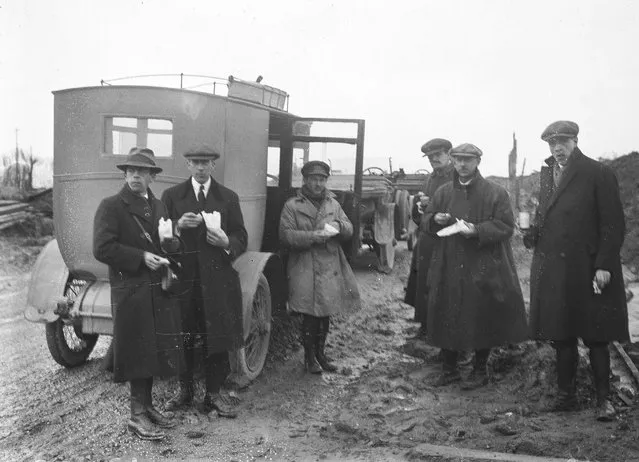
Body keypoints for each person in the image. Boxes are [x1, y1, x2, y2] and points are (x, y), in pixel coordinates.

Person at [524, 121, 629, 421]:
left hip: (588, 267)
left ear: (576, 141)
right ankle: (566, 396)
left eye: (563, 142)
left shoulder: (597, 173)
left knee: (597, 336)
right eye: (552, 144)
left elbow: (613, 225)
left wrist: (605, 266)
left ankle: (603, 401)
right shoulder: (547, 176)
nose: (557, 149)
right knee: (562, 334)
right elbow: (546, 217)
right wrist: (531, 233)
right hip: (557, 270)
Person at [93, 147, 182, 440]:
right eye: (130, 171)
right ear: (124, 174)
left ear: (152, 177)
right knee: (135, 351)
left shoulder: (158, 208)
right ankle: (136, 415)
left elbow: (168, 244)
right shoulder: (111, 206)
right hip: (130, 291)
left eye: (141, 172)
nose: (134, 176)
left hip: (156, 289)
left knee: (152, 350)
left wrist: (171, 245)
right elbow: (102, 248)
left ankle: (147, 407)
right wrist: (141, 258)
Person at [423, 143, 528, 388]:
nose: (462, 165)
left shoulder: (495, 193)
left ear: (478, 162)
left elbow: (506, 226)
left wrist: (477, 230)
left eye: (467, 160)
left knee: (482, 314)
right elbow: (428, 220)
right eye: (458, 160)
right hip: (449, 262)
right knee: (448, 312)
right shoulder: (444, 192)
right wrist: (434, 219)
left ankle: (480, 370)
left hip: (482, 263)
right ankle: (449, 369)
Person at [161, 145, 247, 418]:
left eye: (205, 163)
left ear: (213, 166)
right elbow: (160, 234)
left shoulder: (228, 197)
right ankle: (185, 391)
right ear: (187, 165)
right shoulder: (172, 196)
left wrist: (226, 242)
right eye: (195, 163)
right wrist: (176, 226)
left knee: (217, 336)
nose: (200, 168)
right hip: (184, 279)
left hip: (217, 279)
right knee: (183, 335)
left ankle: (213, 394)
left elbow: (241, 236)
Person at [279, 160, 361, 373]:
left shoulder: (333, 204)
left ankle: (321, 355)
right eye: (314, 179)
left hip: (328, 264)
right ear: (305, 180)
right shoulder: (292, 205)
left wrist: (338, 225)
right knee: (309, 314)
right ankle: (309, 358)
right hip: (304, 265)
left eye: (322, 179)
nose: (318, 183)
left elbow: (349, 228)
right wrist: (312, 236)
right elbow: (285, 235)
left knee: (325, 313)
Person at [404, 138, 455, 339]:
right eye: (430, 157)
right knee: (423, 281)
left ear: (449, 154)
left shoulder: (457, 177)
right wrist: (420, 206)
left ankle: (442, 329)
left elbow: (462, 206)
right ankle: (425, 326)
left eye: (438, 155)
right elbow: (421, 211)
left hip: (447, 238)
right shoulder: (431, 178)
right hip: (427, 238)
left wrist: (432, 206)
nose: (434, 159)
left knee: (444, 283)